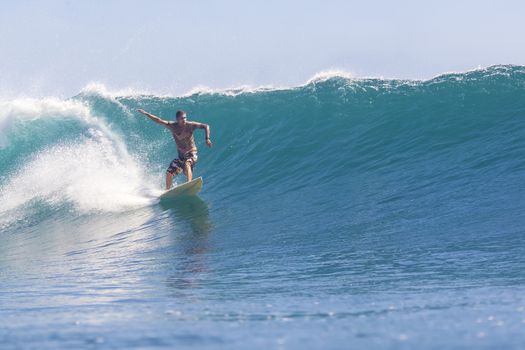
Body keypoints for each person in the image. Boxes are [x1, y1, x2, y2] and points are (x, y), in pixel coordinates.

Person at [137, 109, 212, 189]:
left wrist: (207, 138)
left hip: (191, 153)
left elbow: (206, 126)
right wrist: (146, 113)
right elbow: (159, 120)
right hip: (181, 156)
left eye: (185, 118)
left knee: (187, 163)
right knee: (169, 172)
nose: (184, 120)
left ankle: (189, 184)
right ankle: (167, 190)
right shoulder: (172, 126)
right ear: (177, 119)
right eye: (182, 118)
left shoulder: (190, 125)